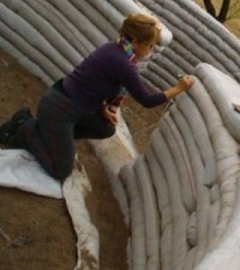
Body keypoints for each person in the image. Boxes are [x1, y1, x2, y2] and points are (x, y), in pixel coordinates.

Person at [0, 13, 195, 180]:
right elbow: (147, 100)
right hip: (60, 109)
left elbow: (95, 84)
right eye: (149, 46)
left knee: (105, 128)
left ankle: (52, 136)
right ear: (135, 41)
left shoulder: (113, 49)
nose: (150, 51)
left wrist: (103, 109)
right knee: (61, 170)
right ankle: (23, 127)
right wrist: (179, 88)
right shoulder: (124, 64)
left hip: (69, 105)